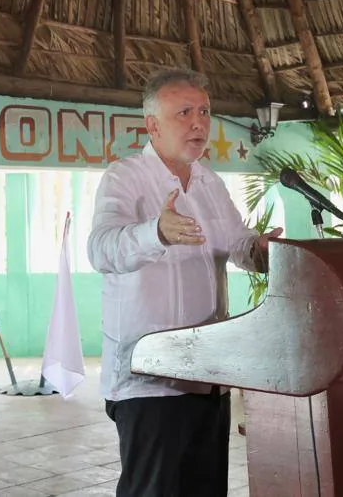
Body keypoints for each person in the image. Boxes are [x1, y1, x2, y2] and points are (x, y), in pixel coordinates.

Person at [87, 68, 282, 497]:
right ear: (151, 125)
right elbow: (100, 249)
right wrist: (156, 231)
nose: (199, 122)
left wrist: (261, 250)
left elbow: (237, 244)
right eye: (184, 112)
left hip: (208, 373)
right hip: (149, 381)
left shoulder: (211, 183)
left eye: (205, 112)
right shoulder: (126, 178)